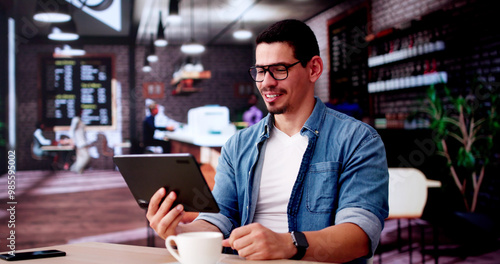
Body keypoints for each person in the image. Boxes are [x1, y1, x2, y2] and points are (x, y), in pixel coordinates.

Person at [147, 19, 388, 264]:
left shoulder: (358, 140)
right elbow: (220, 218)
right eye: (261, 71)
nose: (266, 82)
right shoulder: (237, 145)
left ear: (314, 69)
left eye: (279, 69)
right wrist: (181, 233)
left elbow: (360, 234)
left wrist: (289, 244)